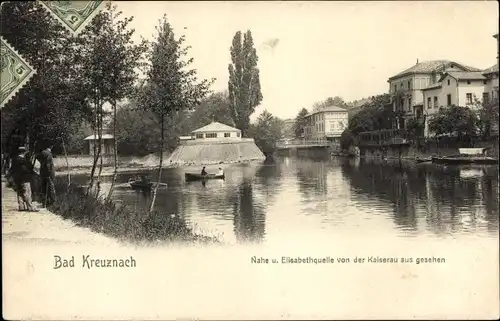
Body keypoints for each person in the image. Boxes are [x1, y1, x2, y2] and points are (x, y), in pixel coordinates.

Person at [10, 147, 38, 212]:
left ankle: (21, 206)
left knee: (19, 192)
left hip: (17, 179)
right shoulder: (23, 160)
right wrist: (30, 171)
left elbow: (12, 169)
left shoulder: (14, 159)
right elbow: (25, 169)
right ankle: (30, 207)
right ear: (24, 152)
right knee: (27, 192)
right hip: (25, 178)